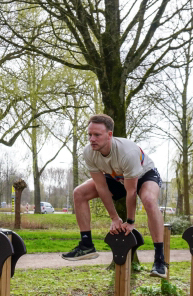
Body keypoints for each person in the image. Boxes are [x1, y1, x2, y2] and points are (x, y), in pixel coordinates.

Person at [62, 114, 167, 277]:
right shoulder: (89, 152)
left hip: (144, 175)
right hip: (116, 177)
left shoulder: (127, 152)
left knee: (149, 200)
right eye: (89, 135)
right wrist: (114, 218)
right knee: (79, 193)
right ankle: (86, 245)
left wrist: (130, 222)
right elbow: (101, 187)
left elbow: (131, 191)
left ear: (109, 135)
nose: (92, 139)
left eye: (97, 135)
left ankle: (160, 260)